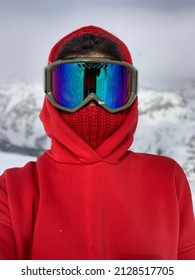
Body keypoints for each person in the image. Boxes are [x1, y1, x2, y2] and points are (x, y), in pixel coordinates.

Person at [0, 25, 195, 260]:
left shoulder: (167, 178)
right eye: (73, 87)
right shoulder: (13, 190)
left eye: (107, 88)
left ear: (130, 97)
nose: (92, 102)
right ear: (51, 97)